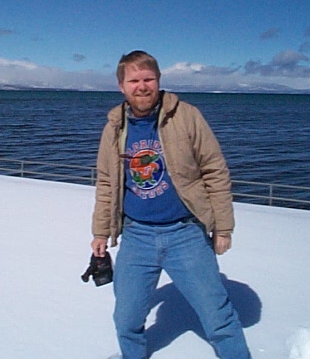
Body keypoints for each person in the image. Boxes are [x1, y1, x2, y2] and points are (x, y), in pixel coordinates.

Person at [91, 50, 250, 359]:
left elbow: (215, 170)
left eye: (148, 79)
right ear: (121, 86)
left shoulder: (186, 116)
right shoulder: (114, 126)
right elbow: (107, 182)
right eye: (133, 81)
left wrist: (223, 228)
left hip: (185, 234)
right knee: (126, 319)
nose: (142, 86)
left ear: (159, 80)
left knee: (218, 317)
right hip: (136, 237)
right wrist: (100, 232)